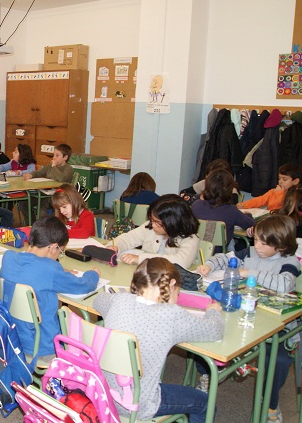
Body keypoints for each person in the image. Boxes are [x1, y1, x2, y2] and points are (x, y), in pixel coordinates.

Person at [197, 214, 300, 422]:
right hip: (242, 317)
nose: (257, 246)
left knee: (278, 360)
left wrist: (249, 272)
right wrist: (209, 265)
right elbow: (226, 258)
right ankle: (207, 374)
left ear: (281, 245)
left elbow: (284, 284)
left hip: (275, 329)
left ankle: (270, 403)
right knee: (207, 330)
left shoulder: (289, 262)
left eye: (264, 243)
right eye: (256, 240)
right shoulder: (251, 252)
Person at [94, 258, 224, 423]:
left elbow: (98, 301)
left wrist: (128, 299)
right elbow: (215, 331)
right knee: (206, 403)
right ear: (172, 284)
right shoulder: (172, 315)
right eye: (178, 292)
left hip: (101, 392)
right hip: (138, 404)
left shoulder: (118, 300)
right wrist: (214, 311)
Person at [0, 216, 99, 362]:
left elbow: (33, 269)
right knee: (85, 332)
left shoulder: (8, 257)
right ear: (52, 248)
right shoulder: (51, 269)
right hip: (43, 347)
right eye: (60, 251)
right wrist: (93, 274)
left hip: (11, 339)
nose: (59, 255)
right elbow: (84, 285)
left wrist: (60, 272)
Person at [111, 194, 200, 267]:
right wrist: (115, 246)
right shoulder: (150, 226)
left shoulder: (190, 238)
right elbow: (129, 238)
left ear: (173, 222)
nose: (153, 225)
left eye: (158, 222)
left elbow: (181, 262)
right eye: (152, 219)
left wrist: (140, 258)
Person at [191, 170, 254, 251]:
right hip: (219, 254)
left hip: (197, 251)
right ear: (229, 190)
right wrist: (248, 215)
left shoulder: (196, 205)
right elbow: (252, 225)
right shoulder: (231, 210)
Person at [238, 163, 302, 211]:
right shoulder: (274, 191)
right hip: (271, 219)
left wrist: (280, 193)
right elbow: (259, 200)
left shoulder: (298, 195)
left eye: (284, 179)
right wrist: (243, 205)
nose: (280, 182)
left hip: (283, 221)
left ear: (295, 181)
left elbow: (286, 209)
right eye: (279, 178)